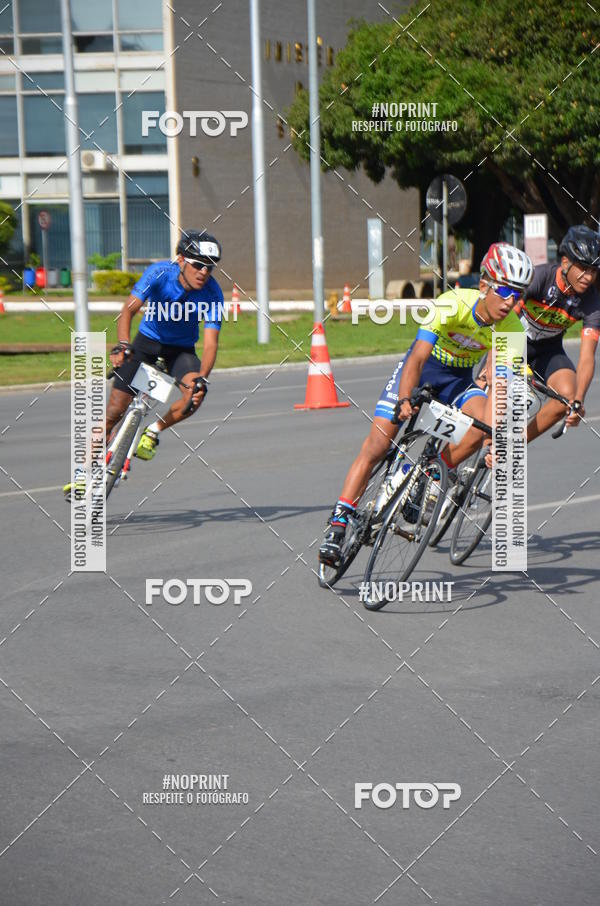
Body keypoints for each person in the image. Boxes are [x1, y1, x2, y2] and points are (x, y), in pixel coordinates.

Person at [318, 242, 533, 568]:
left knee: (482, 427)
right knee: (378, 444)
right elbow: (418, 357)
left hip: (457, 381)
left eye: (518, 295)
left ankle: (426, 475)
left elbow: (500, 392)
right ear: (484, 285)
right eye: (504, 291)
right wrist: (405, 398)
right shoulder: (452, 303)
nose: (510, 302)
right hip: (421, 373)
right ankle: (339, 522)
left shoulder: (512, 329)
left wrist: (494, 442)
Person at [63, 230, 224, 499]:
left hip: (180, 351)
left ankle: (153, 431)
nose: (204, 272)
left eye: (210, 267)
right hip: (145, 344)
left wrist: (202, 377)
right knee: (114, 412)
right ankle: (81, 473)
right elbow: (128, 310)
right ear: (181, 260)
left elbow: (210, 344)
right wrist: (123, 344)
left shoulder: (213, 293)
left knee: (195, 395)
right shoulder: (160, 273)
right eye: (198, 265)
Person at [518, 224, 600, 441]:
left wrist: (578, 400)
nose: (588, 277)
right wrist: (494, 359)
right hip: (514, 342)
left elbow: (587, 356)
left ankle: (514, 443)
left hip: (548, 350)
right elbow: (505, 318)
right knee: (488, 389)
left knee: (567, 397)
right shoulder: (539, 277)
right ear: (565, 262)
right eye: (583, 268)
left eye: (593, 271)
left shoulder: (591, 301)